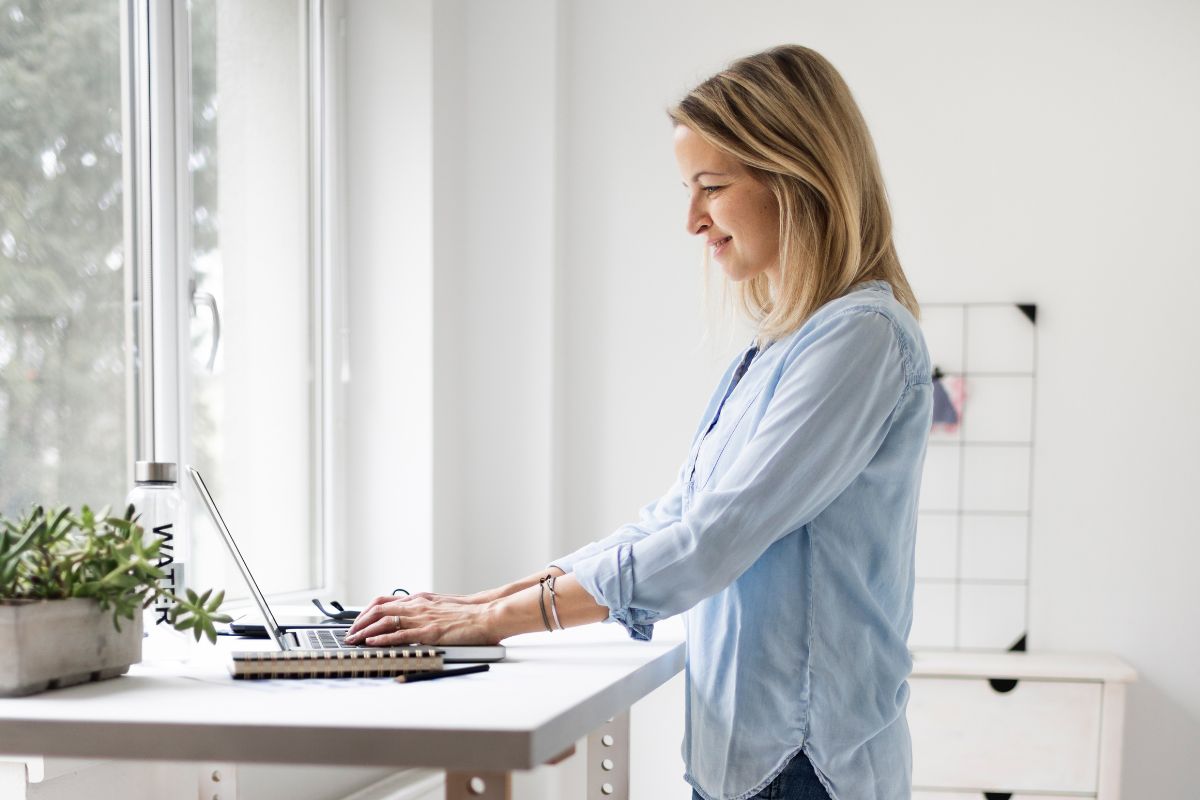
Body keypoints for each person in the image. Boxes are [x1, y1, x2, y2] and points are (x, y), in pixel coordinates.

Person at [345, 44, 932, 800]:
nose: (692, 220)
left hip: (807, 766)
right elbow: (673, 519)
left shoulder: (862, 339)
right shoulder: (777, 349)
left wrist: (496, 623)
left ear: (797, 178)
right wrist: (480, 603)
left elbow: (709, 542)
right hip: (746, 759)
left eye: (711, 188)